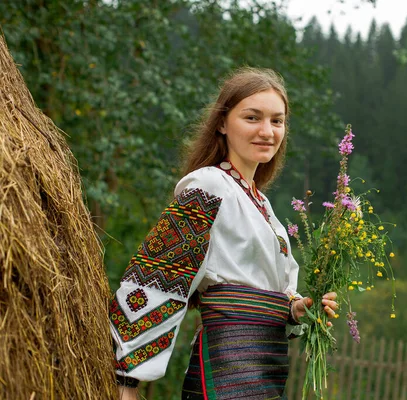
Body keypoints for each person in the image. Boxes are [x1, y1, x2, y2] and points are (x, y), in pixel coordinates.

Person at [111, 67, 338, 400]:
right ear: (222, 123)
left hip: (267, 367)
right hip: (226, 366)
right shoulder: (208, 186)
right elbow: (156, 280)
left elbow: (259, 285)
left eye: (277, 121)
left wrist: (294, 309)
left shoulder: (262, 205)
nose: (267, 131)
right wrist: (128, 381)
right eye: (252, 118)